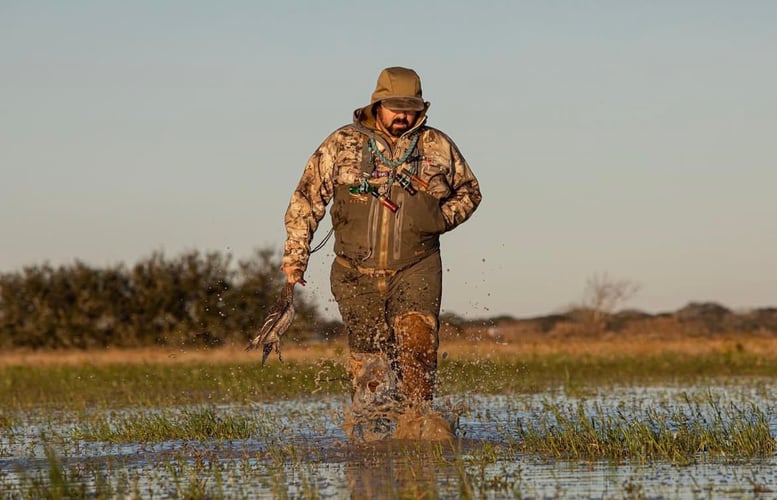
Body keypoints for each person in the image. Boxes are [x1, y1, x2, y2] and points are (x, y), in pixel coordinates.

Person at [281, 66, 481, 440]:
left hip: (417, 266)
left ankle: (419, 424)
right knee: (371, 364)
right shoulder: (342, 143)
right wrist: (296, 258)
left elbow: (470, 192)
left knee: (418, 344)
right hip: (354, 272)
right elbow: (306, 199)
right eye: (395, 107)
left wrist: (439, 218)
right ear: (378, 104)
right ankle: (371, 435)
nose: (403, 114)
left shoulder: (436, 145)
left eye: (411, 107)